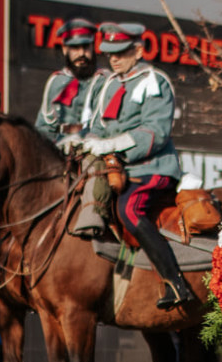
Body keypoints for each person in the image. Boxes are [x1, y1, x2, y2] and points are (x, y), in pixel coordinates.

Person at [77, 21, 190, 309]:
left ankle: (176, 283)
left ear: (138, 50)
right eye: (110, 53)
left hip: (152, 168)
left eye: (121, 52)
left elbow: (155, 131)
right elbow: (99, 126)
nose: (113, 58)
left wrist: (113, 147)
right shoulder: (109, 83)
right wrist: (86, 141)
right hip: (115, 167)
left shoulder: (155, 81)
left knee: (129, 209)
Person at [34, 16, 101, 146]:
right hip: (57, 148)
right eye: (75, 48)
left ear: (93, 47)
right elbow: (44, 126)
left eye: (86, 47)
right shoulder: (56, 81)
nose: (82, 53)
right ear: (65, 50)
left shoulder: (104, 81)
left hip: (91, 149)